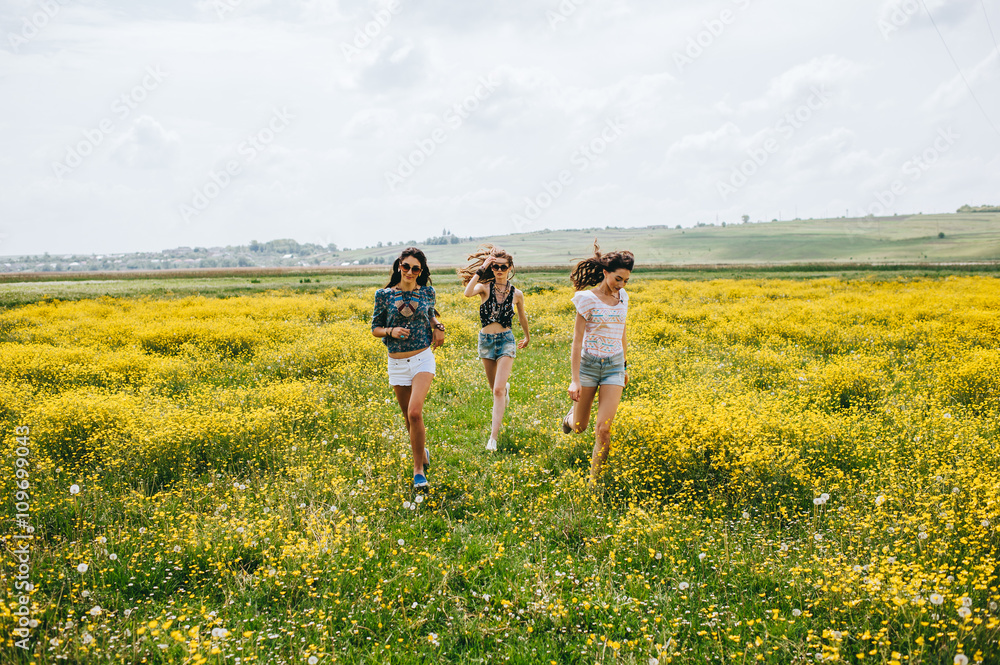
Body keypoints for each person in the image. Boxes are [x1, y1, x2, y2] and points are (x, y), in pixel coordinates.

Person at [371, 247, 445, 489]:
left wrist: (438, 326)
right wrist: (391, 331)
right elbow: (375, 328)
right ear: (398, 266)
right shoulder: (383, 295)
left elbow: (431, 314)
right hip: (397, 363)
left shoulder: (427, 293)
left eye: (416, 269)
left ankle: (418, 471)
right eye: (406, 267)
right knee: (407, 416)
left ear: (420, 271)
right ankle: (420, 451)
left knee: (415, 412)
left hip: (423, 357)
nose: (410, 272)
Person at [561, 241, 634, 486]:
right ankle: (569, 419)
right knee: (580, 426)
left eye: (625, 280)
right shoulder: (586, 299)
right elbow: (576, 341)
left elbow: (621, 331)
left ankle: (594, 482)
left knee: (603, 429)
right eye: (617, 279)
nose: (621, 285)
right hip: (589, 365)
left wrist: (624, 365)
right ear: (605, 273)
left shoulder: (623, 297)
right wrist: (575, 379)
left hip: (613, 366)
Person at [458, 245, 530, 451]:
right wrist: (482, 268)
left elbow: (522, 317)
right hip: (486, 342)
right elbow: (467, 292)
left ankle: (493, 439)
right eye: (496, 267)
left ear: (510, 268)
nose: (499, 270)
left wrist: (527, 336)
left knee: (497, 390)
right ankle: (503, 388)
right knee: (494, 389)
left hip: (506, 340)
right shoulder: (485, 287)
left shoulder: (517, 294)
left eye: (503, 267)